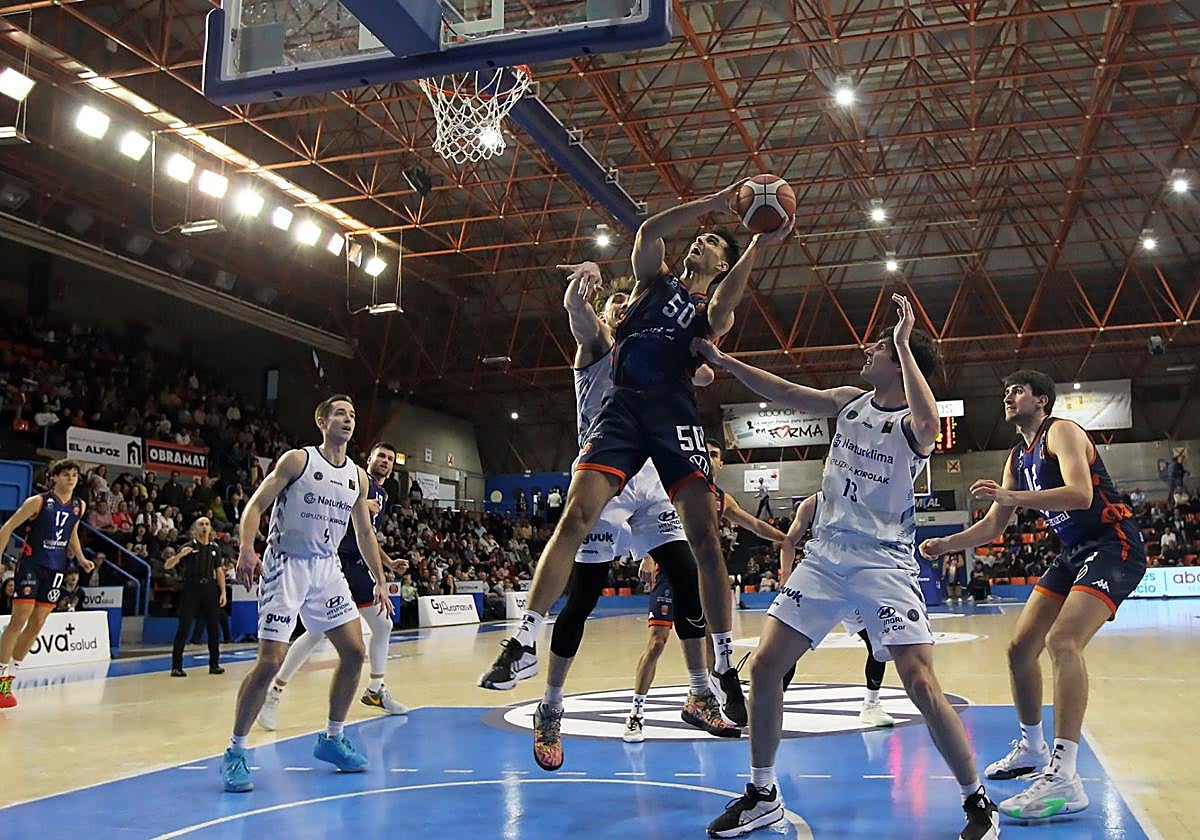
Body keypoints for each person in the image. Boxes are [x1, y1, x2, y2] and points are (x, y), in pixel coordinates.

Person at [478, 183, 794, 757]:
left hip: (667, 420)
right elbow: (647, 235)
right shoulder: (630, 310)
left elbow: (726, 308)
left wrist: (759, 243)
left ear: (719, 263)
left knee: (700, 550)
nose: (697, 244)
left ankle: (717, 672)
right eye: (694, 241)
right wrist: (715, 199)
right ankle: (529, 647)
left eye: (707, 245)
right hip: (622, 415)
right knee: (579, 551)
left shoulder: (703, 313)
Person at [697, 294, 999, 839]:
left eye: (879, 347)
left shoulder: (911, 423)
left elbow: (930, 422)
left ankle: (977, 802)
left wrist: (905, 344)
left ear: (902, 364)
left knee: (921, 684)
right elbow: (785, 391)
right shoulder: (848, 402)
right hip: (826, 557)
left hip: (883, 562)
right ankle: (763, 793)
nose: (868, 349)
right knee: (765, 667)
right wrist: (724, 363)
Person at [479, 261, 736, 772]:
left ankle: (699, 692)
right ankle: (550, 706)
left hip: (648, 480)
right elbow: (580, 319)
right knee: (585, 596)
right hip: (605, 470)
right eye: (616, 306)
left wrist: (702, 359)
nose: (625, 310)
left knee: (686, 572)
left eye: (630, 305)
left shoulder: (656, 351)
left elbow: (702, 366)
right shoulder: (599, 347)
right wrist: (580, 295)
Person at [919, 369, 1146, 822]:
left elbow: (1082, 495)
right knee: (1021, 648)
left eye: (1017, 390)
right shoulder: (1016, 457)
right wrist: (947, 544)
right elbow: (994, 526)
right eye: (1004, 390)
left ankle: (1066, 776)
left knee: (1062, 642)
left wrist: (1012, 496)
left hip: (1112, 543)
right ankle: (1033, 749)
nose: (1007, 395)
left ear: (1041, 400)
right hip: (1072, 553)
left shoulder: (1061, 432)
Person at [219, 395, 395, 793]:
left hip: (326, 568)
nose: (348, 420)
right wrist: (247, 548)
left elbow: (365, 533)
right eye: (340, 414)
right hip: (286, 565)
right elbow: (256, 504)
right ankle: (235, 751)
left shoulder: (357, 476)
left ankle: (332, 738)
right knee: (269, 662)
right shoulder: (298, 460)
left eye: (353, 415)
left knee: (354, 652)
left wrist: (380, 580)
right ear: (321, 421)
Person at [623, 441, 786, 743]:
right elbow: (649, 517)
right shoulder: (673, 486)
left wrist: (788, 539)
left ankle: (705, 702)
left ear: (721, 464)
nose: (709, 459)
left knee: (714, 643)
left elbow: (754, 525)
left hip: (703, 578)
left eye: (715, 455)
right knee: (657, 642)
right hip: (669, 574)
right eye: (705, 453)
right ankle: (636, 714)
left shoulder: (721, 499)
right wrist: (646, 555)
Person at [258, 442, 410, 729]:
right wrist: (357, 503)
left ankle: (376, 689)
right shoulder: (350, 479)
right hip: (332, 560)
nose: (386, 461)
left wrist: (386, 565)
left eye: (391, 458)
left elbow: (367, 534)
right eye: (381, 456)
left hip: (357, 563)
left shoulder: (382, 493)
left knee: (383, 624)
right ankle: (274, 692)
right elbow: (323, 499)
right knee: (316, 632)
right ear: (370, 458)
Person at [779, 493, 895, 728]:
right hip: (822, 581)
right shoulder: (813, 504)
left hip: (858, 583)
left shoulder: (869, 503)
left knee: (879, 645)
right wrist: (785, 575)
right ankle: (772, 702)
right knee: (787, 646)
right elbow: (789, 541)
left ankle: (871, 705)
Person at [0, 459, 95, 708]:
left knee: (38, 623)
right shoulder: (39, 501)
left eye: (75, 475)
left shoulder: (79, 506)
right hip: (32, 565)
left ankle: (8, 681)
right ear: (55, 477)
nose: (71, 478)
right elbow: (8, 527)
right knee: (19, 620)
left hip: (56, 569)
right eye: (66, 474)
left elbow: (71, 533)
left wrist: (83, 559)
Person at [165, 517, 226, 677]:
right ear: (194, 529)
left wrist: (223, 591)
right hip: (191, 587)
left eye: (207, 524)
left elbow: (219, 571)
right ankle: (176, 666)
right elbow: (167, 565)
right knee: (184, 628)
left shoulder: (215, 547)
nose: (204, 527)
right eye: (201, 524)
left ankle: (214, 664)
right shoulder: (188, 547)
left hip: (210, 588)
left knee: (214, 627)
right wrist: (179, 556)